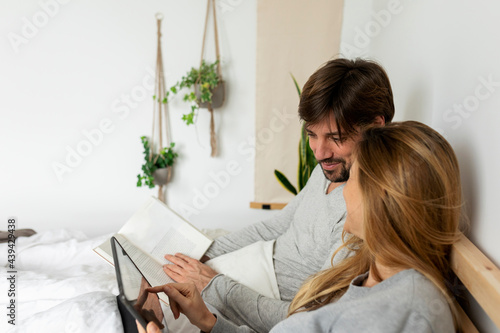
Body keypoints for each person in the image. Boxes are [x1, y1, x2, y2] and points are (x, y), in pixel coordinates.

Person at [138, 121, 463, 333]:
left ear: (382, 202)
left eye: (355, 178)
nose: (344, 190)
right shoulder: (367, 273)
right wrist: (209, 321)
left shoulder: (402, 311)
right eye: (312, 134)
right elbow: (277, 225)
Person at [162, 58, 395, 332]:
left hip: (260, 299)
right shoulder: (334, 169)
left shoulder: (363, 211)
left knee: (160, 311)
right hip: (251, 267)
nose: (319, 153)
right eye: (312, 135)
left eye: (335, 137)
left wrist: (214, 285)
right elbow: (279, 225)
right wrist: (203, 250)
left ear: (376, 128)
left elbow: (307, 316)